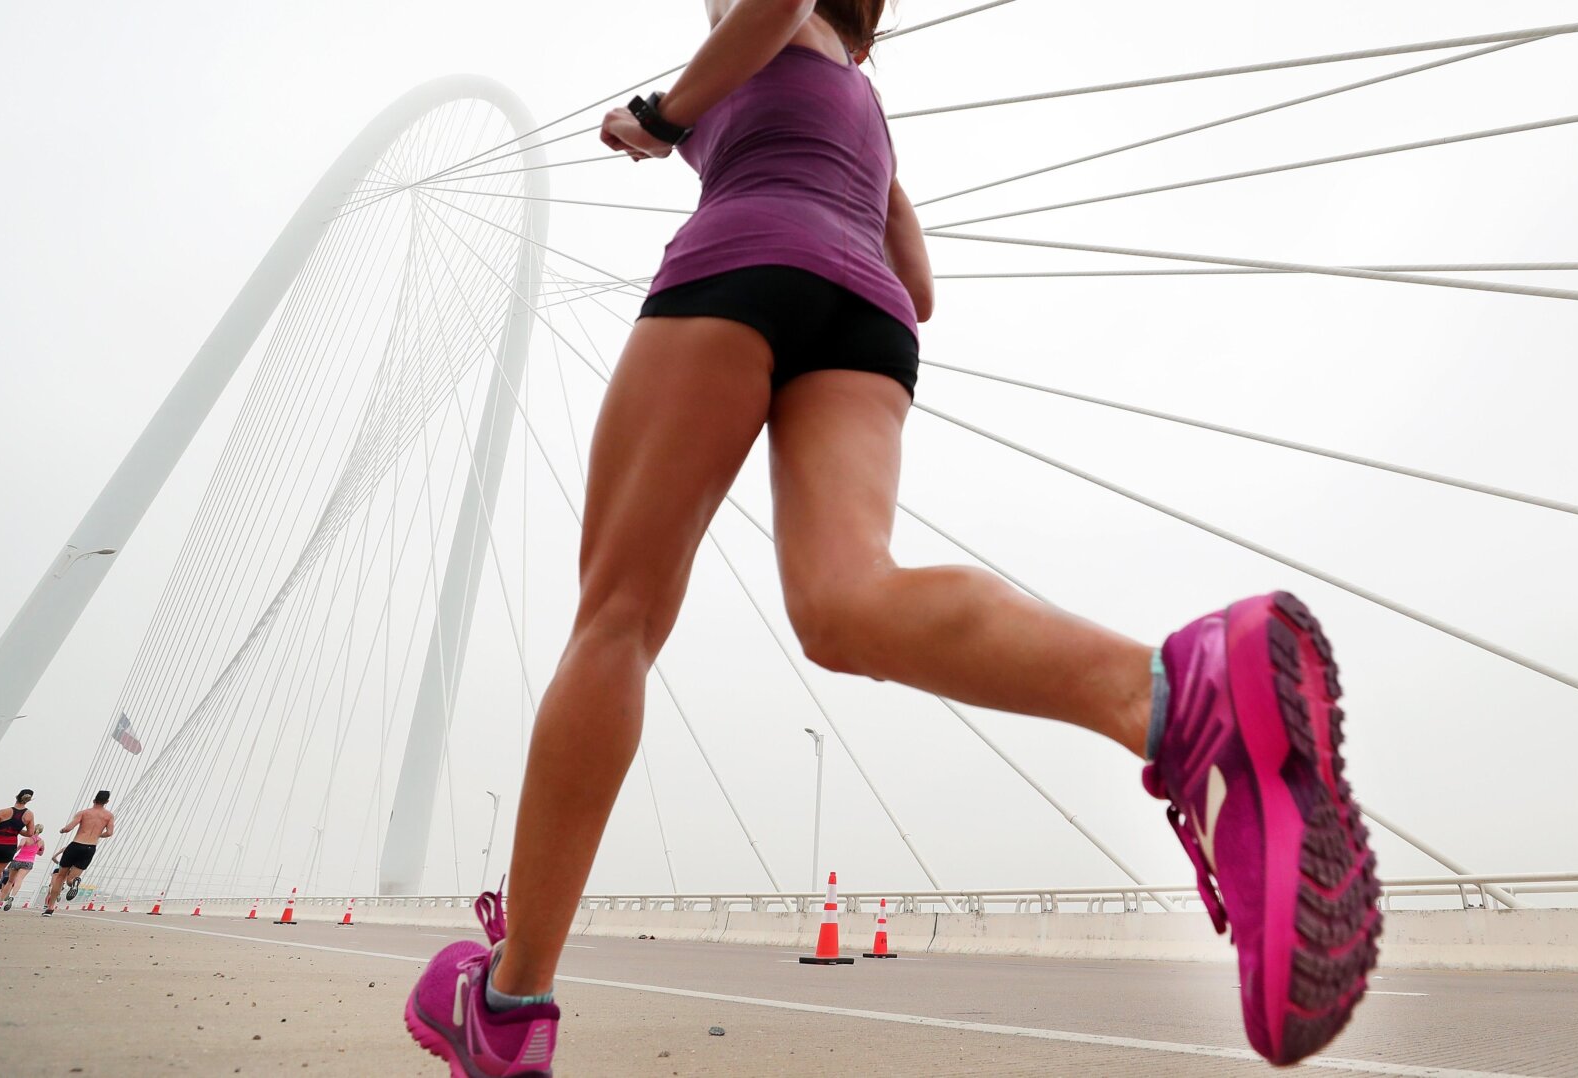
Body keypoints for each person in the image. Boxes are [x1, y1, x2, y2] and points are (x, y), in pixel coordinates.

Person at [404, 2, 1381, 1073]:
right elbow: (917, 285)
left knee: (619, 622)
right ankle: (1174, 694)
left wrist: (666, 115)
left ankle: (508, 1007)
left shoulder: (753, 22)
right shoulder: (866, 104)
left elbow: (764, 7)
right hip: (865, 318)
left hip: (740, 265)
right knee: (846, 603)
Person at [44, 790, 114, 915]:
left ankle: (50, 907)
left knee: (60, 877)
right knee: (72, 878)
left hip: (75, 845)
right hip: (90, 848)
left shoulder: (84, 813)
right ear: (107, 802)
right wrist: (98, 835)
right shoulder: (108, 816)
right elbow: (109, 833)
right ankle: (74, 883)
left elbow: (69, 828)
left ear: (94, 800)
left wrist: (62, 830)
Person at [0, 823, 43, 911]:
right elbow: (40, 853)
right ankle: (12, 896)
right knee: (19, 880)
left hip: (17, 860)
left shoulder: (25, 839)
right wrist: (34, 850)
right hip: (28, 862)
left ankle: (0, 902)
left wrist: (14, 852)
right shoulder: (41, 842)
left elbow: (21, 846)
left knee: (10, 881)